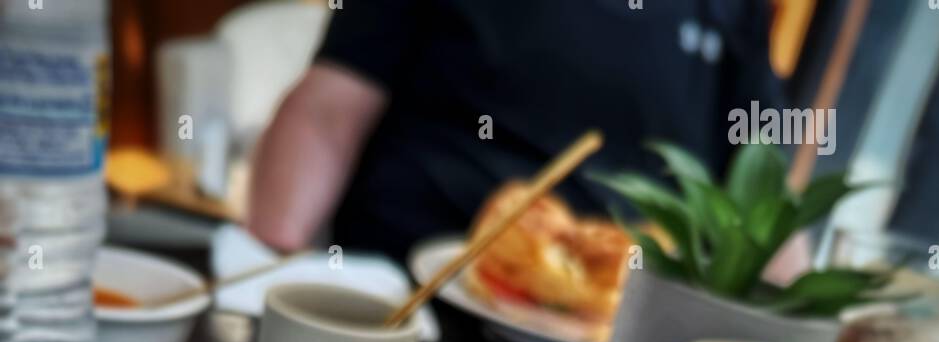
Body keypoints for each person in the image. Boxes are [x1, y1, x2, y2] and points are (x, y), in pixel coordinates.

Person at [247, 0, 784, 261]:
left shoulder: (742, 13)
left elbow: (772, 203)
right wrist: (269, 262)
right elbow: (329, 110)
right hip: (412, 302)